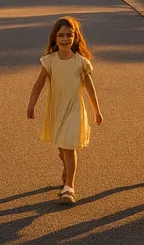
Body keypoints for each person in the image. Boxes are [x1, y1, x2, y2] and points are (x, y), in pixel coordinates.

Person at [27, 16, 103, 205]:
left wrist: (96, 110)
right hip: (56, 109)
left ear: (76, 38)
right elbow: (38, 85)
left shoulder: (80, 62)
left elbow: (89, 87)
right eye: (61, 35)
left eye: (69, 35)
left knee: (69, 147)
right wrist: (31, 104)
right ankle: (67, 169)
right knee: (62, 148)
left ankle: (69, 187)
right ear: (54, 38)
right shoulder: (49, 61)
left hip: (74, 109)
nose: (65, 39)